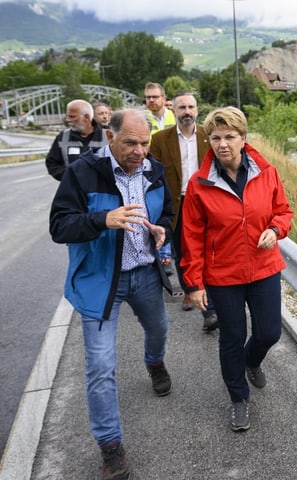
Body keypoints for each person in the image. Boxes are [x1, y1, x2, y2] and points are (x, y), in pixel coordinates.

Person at [49, 108, 174, 480]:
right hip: (102, 282)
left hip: (145, 276)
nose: (139, 151)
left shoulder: (153, 170)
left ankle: (154, 362)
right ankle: (110, 447)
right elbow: (59, 225)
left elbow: (166, 211)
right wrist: (102, 220)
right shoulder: (82, 172)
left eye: (145, 142)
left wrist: (162, 230)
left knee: (159, 330)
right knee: (101, 368)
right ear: (109, 138)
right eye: (130, 143)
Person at [180, 106, 294, 431]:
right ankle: (238, 398)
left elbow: (284, 211)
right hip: (222, 276)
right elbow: (191, 238)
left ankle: (252, 361)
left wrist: (275, 228)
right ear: (209, 142)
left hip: (264, 267)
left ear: (243, 138)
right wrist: (194, 283)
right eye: (215, 137)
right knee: (232, 336)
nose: (223, 144)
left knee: (269, 332)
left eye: (230, 136)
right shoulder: (199, 184)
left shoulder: (266, 172)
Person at [149, 92, 218, 330]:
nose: (187, 111)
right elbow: (153, 177)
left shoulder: (209, 137)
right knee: (182, 253)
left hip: (205, 203)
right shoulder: (160, 140)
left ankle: (208, 298)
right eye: (182, 108)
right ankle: (200, 302)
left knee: (209, 252)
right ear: (174, 111)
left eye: (191, 107)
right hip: (177, 205)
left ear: (197, 110)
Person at [144, 82, 177, 274]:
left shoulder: (175, 116)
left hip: (173, 173)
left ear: (164, 98)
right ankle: (161, 257)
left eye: (155, 96)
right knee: (156, 214)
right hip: (152, 173)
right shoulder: (143, 119)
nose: (151, 100)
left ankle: (168, 254)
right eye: (148, 97)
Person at [45, 99, 109, 181]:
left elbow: (119, 165)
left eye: (72, 116)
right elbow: (52, 163)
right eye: (67, 116)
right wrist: (70, 177)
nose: (67, 120)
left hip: (101, 192)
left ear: (86, 117)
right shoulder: (63, 136)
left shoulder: (108, 136)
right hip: (72, 192)